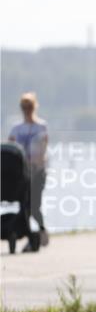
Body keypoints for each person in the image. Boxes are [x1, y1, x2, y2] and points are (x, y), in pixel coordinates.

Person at [7, 92, 49, 250]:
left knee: (34, 205)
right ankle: (29, 235)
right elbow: (11, 150)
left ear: (34, 107)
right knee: (24, 205)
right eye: (24, 107)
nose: (26, 110)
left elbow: (43, 149)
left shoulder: (41, 126)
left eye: (29, 107)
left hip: (37, 171)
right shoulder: (16, 129)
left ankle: (41, 231)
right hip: (21, 174)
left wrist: (34, 163)